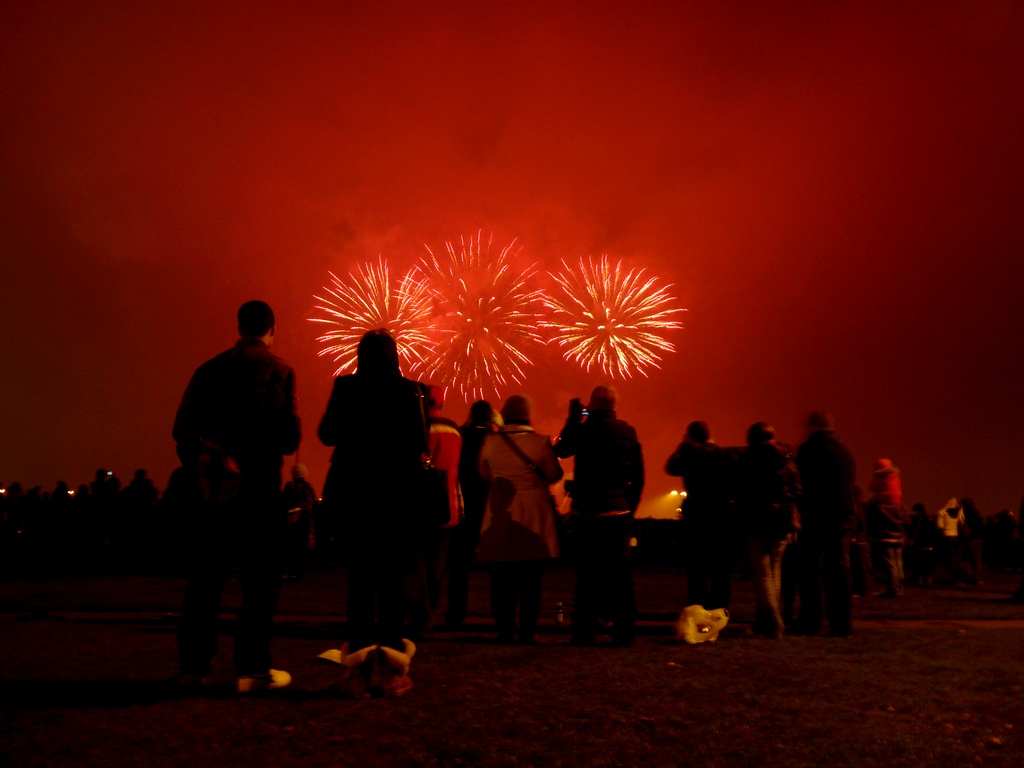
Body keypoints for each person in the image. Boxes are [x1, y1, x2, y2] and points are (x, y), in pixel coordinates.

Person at [172, 300, 301, 694]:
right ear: (271, 330)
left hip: (211, 492)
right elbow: (288, 437)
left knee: (204, 581)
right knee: (260, 583)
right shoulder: (279, 370)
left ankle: (194, 667)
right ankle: (253, 669)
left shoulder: (208, 370)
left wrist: (209, 463)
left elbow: (181, 430)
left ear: (240, 326)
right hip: (259, 492)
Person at [317, 328, 425, 698]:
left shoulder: (346, 387)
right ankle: (395, 672)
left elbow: (326, 435)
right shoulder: (411, 391)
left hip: (356, 497)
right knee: (393, 584)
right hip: (397, 498)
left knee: (360, 584)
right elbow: (421, 443)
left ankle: (358, 673)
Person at [554, 385, 644, 647]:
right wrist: (630, 508)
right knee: (620, 577)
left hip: (588, 513)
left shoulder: (584, 430)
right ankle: (624, 632)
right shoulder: (628, 432)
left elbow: (561, 450)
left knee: (587, 576)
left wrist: (573, 419)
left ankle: (584, 631)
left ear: (592, 405)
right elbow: (638, 476)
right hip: (618, 513)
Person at [477, 395, 563, 643]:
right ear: (529, 415)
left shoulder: (491, 442)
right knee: (531, 580)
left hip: (499, 515)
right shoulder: (540, 442)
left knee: (501, 578)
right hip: (534, 515)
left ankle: (504, 630)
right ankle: (527, 630)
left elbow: (483, 473)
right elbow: (553, 475)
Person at [793, 411, 857, 638]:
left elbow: (803, 485)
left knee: (810, 570)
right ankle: (842, 624)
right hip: (844, 515)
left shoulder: (810, 450)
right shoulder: (843, 450)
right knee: (839, 570)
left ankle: (811, 619)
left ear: (812, 427)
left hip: (818, 516)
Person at [735, 422, 800, 638]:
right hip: (780, 520)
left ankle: (774, 623)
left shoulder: (746, 459)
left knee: (762, 574)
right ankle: (765, 622)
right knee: (775, 572)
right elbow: (796, 490)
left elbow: (740, 489)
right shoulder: (786, 458)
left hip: (754, 519)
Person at [407, 386, 463, 636]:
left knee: (416, 564)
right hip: (448, 506)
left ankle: (421, 616)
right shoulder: (454, 430)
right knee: (436, 568)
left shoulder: (417, 429)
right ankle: (431, 613)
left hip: (419, 506)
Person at [665, 421, 734, 611]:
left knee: (697, 568)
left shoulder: (689, 455)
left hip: (695, 513)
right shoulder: (722, 454)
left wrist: (682, 445)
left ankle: (698, 606)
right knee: (720, 566)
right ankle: (720, 608)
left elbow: (671, 467)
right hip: (719, 514)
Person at [446, 401, 501, 628]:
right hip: (491, 507)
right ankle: (500, 615)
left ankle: (456, 614)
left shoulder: (462, 435)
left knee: (459, 565)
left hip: (465, 505)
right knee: (498, 566)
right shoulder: (498, 439)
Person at [866, 459, 909, 598]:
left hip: (886, 536)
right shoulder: (899, 503)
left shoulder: (879, 505)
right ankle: (900, 589)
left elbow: (871, 487)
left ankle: (893, 590)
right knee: (899, 564)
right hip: (899, 536)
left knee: (890, 565)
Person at [281, 464, 316, 581]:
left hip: (290, 521)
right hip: (303, 521)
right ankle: (298, 571)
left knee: (290, 546)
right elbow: (311, 504)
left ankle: (291, 570)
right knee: (300, 547)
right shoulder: (307, 488)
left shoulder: (290, 487)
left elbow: (283, 502)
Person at [935, 497, 967, 584]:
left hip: (948, 537)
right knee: (959, 559)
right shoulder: (960, 512)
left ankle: (955, 578)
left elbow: (940, 526)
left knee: (951, 559)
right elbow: (962, 523)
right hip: (958, 537)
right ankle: (961, 578)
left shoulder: (942, 512)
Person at [960, 497, 985, 585]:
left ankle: (970, 578)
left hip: (970, 539)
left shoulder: (965, 514)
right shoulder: (977, 514)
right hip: (979, 538)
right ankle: (978, 578)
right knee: (977, 559)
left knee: (966, 559)